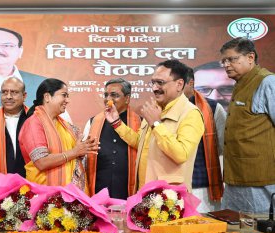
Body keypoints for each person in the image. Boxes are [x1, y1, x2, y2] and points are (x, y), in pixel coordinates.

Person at [109, 59, 204, 192]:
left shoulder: (190, 113)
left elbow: (180, 154)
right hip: (144, 191)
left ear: (179, 84)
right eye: (153, 82)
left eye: (160, 83)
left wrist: (156, 124)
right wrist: (117, 123)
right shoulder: (155, 108)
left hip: (168, 199)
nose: (154, 88)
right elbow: (140, 143)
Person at [219, 37, 275, 213]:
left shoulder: (267, 82)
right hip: (236, 176)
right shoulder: (240, 84)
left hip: (261, 179)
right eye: (224, 60)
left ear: (250, 57)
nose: (227, 64)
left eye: (232, 59)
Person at [19, 78, 98, 192]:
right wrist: (75, 152)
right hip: (45, 198)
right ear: (47, 97)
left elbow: (75, 155)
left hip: (70, 198)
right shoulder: (34, 124)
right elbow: (41, 162)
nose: (67, 100)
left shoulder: (66, 126)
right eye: (64, 95)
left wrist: (84, 149)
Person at [83, 78, 141, 199]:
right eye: (106, 95)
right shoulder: (93, 122)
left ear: (127, 98)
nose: (108, 100)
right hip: (99, 189)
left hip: (127, 190)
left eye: (114, 95)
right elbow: (84, 156)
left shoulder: (140, 122)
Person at [184, 67, 226, 213]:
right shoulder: (159, 110)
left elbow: (221, 146)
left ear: (190, 83)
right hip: (171, 188)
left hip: (203, 188)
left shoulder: (213, 108)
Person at [0, 76, 28, 177]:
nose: (8, 96)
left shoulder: (34, 118)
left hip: (31, 181)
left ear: (24, 96)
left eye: (14, 92)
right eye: (4, 92)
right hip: (0, 181)